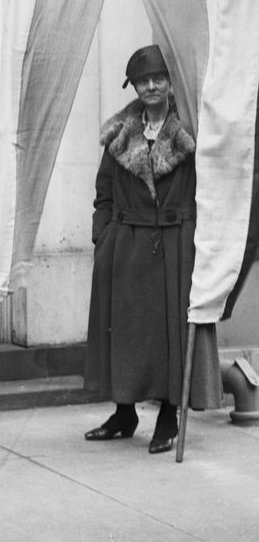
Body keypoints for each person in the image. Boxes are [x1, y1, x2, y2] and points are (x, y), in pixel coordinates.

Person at [84, 44, 221, 454]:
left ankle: (168, 417)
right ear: (134, 86)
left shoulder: (191, 132)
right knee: (125, 335)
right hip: (124, 248)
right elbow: (103, 191)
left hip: (176, 247)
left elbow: (210, 190)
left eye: (158, 78)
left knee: (170, 336)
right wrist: (102, 237)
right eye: (143, 80)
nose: (151, 86)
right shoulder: (119, 136)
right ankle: (124, 413)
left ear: (169, 81)